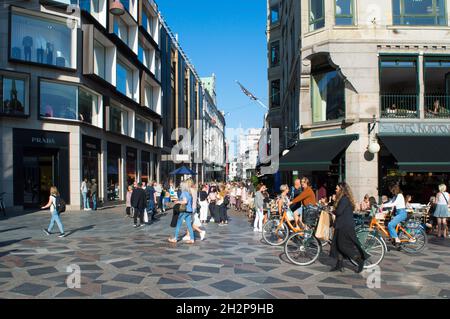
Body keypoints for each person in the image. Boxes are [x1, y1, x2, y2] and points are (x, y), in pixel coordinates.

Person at [329, 182, 368, 273]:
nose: (336, 190)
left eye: (337, 188)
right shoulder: (342, 199)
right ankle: (339, 264)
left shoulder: (344, 199)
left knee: (343, 246)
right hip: (341, 224)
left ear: (342, 189)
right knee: (337, 245)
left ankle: (359, 260)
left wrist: (332, 210)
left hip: (345, 226)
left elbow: (339, 212)